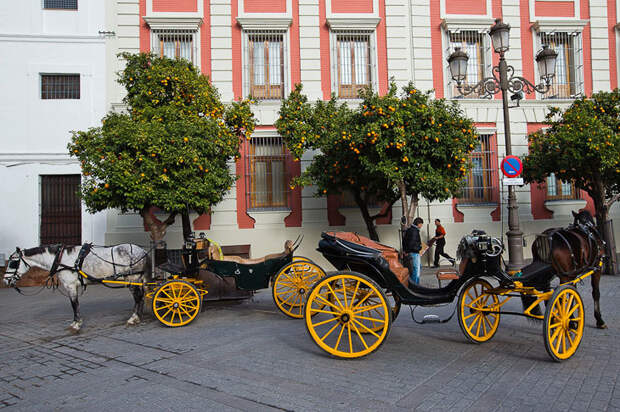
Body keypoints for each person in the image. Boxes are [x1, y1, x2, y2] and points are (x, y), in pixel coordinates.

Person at [403, 217, 424, 285]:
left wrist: (405, 251)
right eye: (421, 224)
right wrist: (419, 247)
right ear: (418, 223)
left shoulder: (409, 229)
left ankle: (413, 283)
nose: (421, 226)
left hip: (411, 252)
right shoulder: (415, 231)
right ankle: (415, 285)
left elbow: (404, 241)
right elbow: (412, 243)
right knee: (416, 270)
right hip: (414, 252)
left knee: (418, 267)